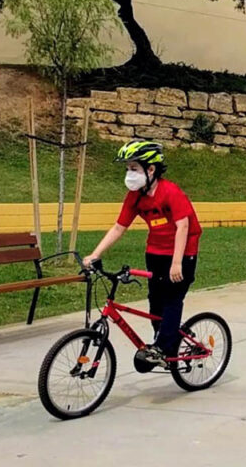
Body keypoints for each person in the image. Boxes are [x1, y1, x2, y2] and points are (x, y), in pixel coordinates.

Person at [83, 140, 202, 367]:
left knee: (172, 298)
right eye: (128, 169)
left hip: (183, 252)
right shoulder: (135, 197)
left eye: (134, 169)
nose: (130, 174)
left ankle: (163, 348)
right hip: (155, 251)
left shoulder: (170, 192)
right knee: (155, 301)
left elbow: (183, 227)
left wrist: (177, 263)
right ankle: (163, 343)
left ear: (151, 169)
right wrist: (95, 254)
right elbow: (119, 227)